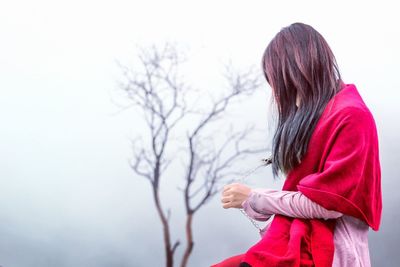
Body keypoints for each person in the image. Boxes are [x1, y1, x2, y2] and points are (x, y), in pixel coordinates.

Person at [210, 22, 382, 267]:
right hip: (301, 246)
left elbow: (327, 205)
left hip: (328, 253)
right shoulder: (327, 115)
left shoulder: (351, 116)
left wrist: (254, 198)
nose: (279, 97)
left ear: (299, 73)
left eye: (281, 86)